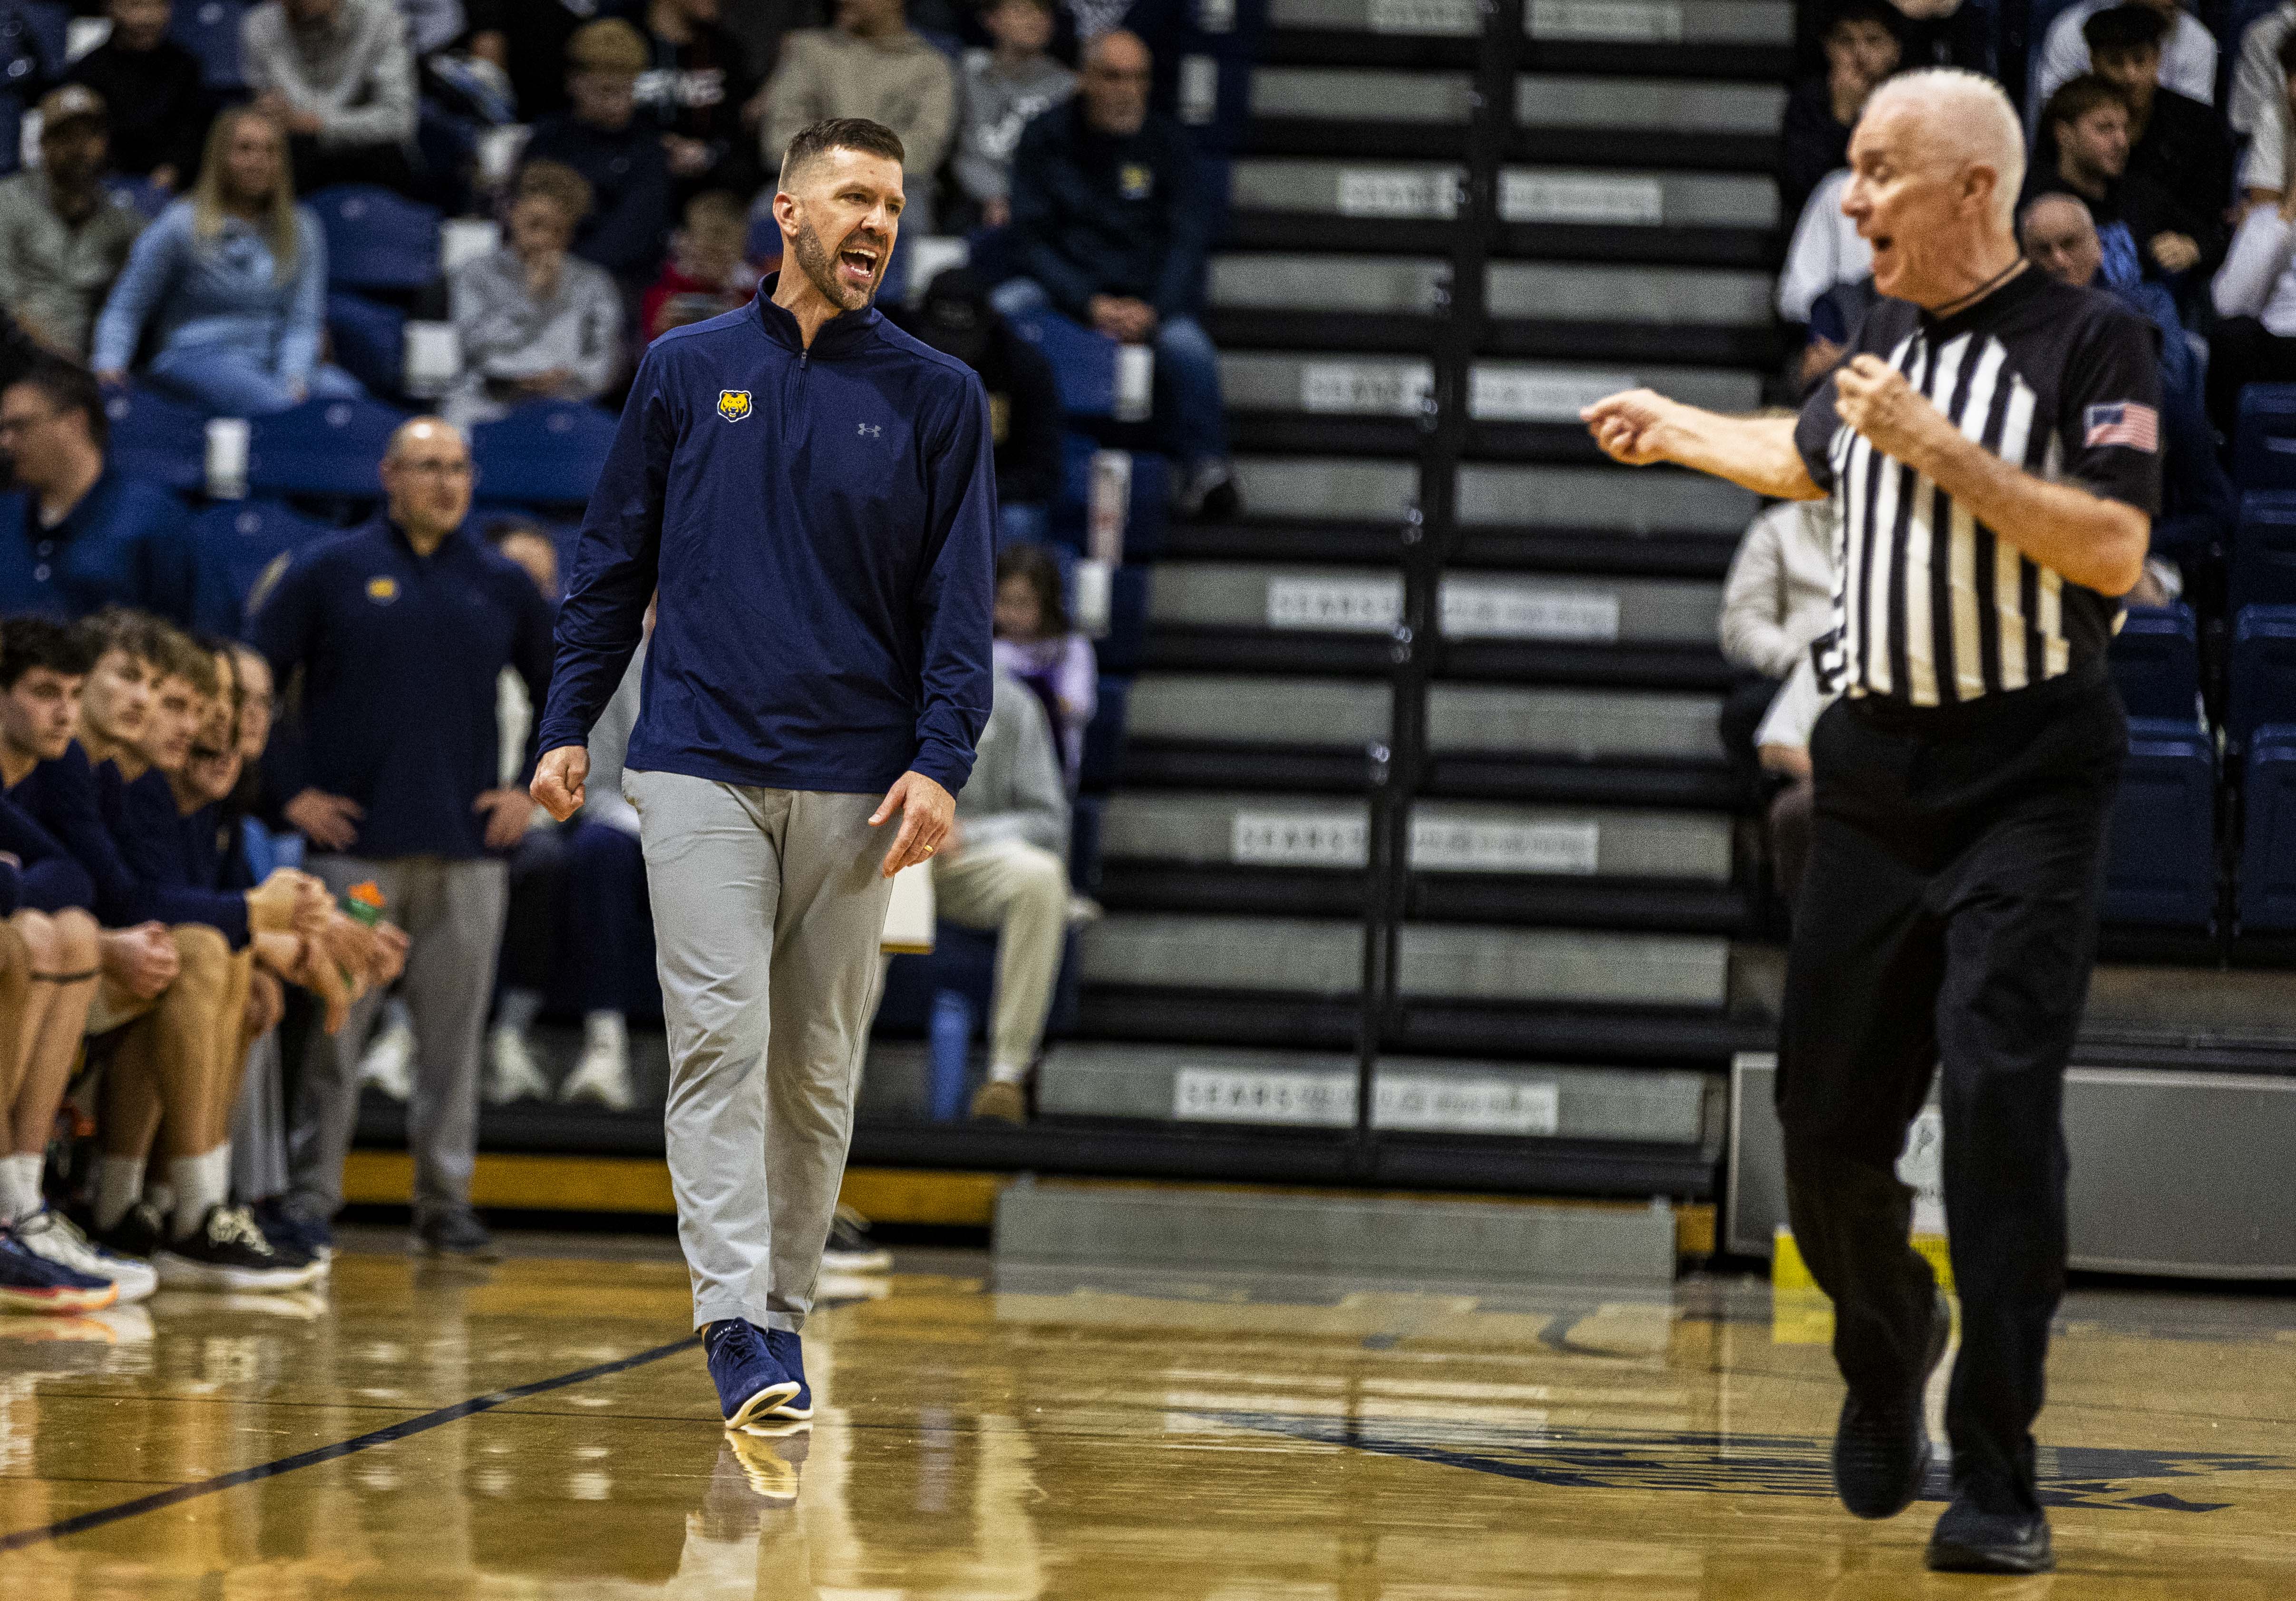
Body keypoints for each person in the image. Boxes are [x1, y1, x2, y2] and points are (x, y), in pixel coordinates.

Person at [1582, 68, 2159, 1575]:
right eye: (1849, 169)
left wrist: (1942, 452)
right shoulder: (1885, 345)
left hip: (2028, 778)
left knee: (1993, 1111)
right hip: (1875, 781)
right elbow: (1809, 457)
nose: (1849, 198)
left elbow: (2107, 549)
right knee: (1820, 1137)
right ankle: (1888, 1334)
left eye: (1877, 171)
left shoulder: (2093, 335)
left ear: (1971, 187)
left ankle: (1998, 1475)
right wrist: (1679, 432)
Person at [529, 116, 992, 1433]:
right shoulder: (683, 369)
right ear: (785, 211)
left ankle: (780, 1310)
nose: (879, 224)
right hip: (695, 766)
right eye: (855, 196)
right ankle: (733, 1319)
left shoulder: (937, 394)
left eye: (895, 206)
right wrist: (569, 722)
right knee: (720, 1040)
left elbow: (958, 606)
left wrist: (941, 760)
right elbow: (611, 562)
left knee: (814, 1068)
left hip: (858, 779)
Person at [253, 417, 554, 1261]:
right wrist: (291, 794)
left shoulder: (501, 582)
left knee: (452, 1047)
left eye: (458, 468)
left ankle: (444, 1202)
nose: (445, 483)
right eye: (427, 467)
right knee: (334, 1040)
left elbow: (562, 689)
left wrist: (528, 787)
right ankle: (312, 1199)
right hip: (356, 856)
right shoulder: (328, 570)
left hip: (466, 854)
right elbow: (249, 687)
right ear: (388, 474)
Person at [999, 29, 1235, 519]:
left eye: (1138, 78)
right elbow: (1032, 237)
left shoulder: (1169, 144)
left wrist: (1153, 308)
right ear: (1083, 79)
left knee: (1189, 348)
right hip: (1062, 290)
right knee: (1003, 310)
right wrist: (1087, 302)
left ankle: (1204, 469)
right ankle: (984, 452)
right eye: (1112, 76)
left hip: (1146, 299)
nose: (1126, 89)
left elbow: (1186, 241)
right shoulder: (1045, 137)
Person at [91, 107, 364, 417]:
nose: (258, 161)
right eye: (244, 149)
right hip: (196, 356)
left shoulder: (303, 227)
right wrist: (109, 366)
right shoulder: (180, 224)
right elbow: (127, 307)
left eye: (270, 150)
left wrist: (296, 378)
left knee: (348, 403)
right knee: (278, 407)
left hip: (272, 359)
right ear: (220, 156)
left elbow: (303, 321)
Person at [2023, 193, 2230, 551]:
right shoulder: (2007, 353)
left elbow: (2216, 513)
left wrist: (2139, 546)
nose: (2058, 261)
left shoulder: (2144, 335)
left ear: (2099, 249)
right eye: (2044, 250)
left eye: (2070, 244)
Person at [946, 669, 1069, 1123]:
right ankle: (838, 1091)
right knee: (862, 896)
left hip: (965, 860)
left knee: (1040, 877)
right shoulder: (878, 680)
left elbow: (1048, 822)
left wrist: (967, 834)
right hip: (884, 848)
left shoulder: (1013, 701)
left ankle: (1006, 1076)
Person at [0, 360, 197, 622]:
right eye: (3, 430)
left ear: (75, 423)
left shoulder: (152, 517)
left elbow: (202, 639)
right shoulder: (6, 519)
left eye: (21, 427)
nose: (6, 442)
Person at [442, 157, 621, 426]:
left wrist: (568, 377)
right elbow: (473, 346)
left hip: (565, 404)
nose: (544, 239)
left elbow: (603, 362)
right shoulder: (475, 273)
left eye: (558, 231)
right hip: (487, 403)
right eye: (535, 224)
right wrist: (530, 300)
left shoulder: (593, 282)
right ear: (513, 214)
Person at [759, 0, 957, 237]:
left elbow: (925, 148)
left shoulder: (930, 66)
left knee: (908, 220)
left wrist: (857, 176)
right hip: (811, 183)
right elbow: (780, 136)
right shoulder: (808, 51)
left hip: (896, 191)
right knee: (767, 213)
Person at [897, 267, 1061, 544]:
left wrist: (972, 491)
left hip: (994, 494)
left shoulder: (1023, 368)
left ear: (989, 326)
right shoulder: (897, 357)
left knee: (1018, 520)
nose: (952, 360)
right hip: (913, 487)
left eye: (962, 347)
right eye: (940, 347)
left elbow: (1042, 472)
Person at [2080, 4, 2231, 284]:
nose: (2130, 75)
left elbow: (2217, 221)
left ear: (2158, 59)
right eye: (2115, 62)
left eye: (2140, 60)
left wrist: (2195, 246)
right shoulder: (2069, 121)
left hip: (2173, 266)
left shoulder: (2201, 125)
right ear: (2094, 63)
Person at [521, 19, 675, 286]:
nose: (618, 103)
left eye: (627, 90)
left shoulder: (647, 147)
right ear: (574, 83)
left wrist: (572, 271)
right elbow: (526, 215)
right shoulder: (548, 141)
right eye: (605, 91)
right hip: (540, 270)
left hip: (618, 281)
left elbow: (636, 230)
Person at [0, 88, 147, 361]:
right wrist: (59, 363)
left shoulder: (120, 220)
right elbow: (7, 301)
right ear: (44, 143)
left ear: (105, 143)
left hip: (89, 366)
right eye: (66, 136)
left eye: (90, 135)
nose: (79, 147)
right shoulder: (8, 201)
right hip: (16, 357)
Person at [240, 0, 420, 196]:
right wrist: (269, 110)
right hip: (297, 151)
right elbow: (266, 105)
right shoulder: (260, 24)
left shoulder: (381, 19)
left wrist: (318, 124)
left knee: (388, 157)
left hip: (369, 155)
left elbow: (399, 120)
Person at [1717, 497, 1838, 777]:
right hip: (1797, 671)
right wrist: (1803, 661)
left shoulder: (1905, 523)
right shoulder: (1777, 526)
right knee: (1746, 715)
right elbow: (1742, 623)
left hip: (1884, 672)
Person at [67, 0, 215, 195]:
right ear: (112, 9)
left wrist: (175, 168)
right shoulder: (87, 72)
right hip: (105, 185)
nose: (147, 18)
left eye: (156, 6)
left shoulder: (187, 67)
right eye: (136, 6)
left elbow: (195, 131)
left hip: (175, 186)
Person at [953, 0, 1073, 231]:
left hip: (1044, 203)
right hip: (974, 201)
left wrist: (1025, 200)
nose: (1035, 20)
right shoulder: (967, 74)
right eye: (1022, 10)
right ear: (991, 19)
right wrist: (994, 196)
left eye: (1042, 11)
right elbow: (964, 153)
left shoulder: (1068, 88)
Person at [1781, 1, 1902, 225]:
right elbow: (1800, 188)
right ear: (1828, 48)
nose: (1860, 54)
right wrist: (1842, 118)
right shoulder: (1810, 101)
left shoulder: (1912, 100)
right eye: (1846, 41)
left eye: (1873, 40)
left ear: (1895, 49)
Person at [633, 0, 763, 200]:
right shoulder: (625, 41)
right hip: (636, 182)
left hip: (712, 190)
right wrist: (655, 148)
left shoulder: (725, 50)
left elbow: (737, 133)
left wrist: (709, 153)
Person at [991, 542, 1093, 790]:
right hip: (993, 771)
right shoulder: (988, 650)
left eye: (1023, 603)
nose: (1013, 613)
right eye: (1004, 601)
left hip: (1050, 770)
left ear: (1047, 603)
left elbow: (1076, 708)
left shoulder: (1072, 648)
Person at [2024, 77, 2144, 287]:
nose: (2122, 142)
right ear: (2064, 134)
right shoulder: (2036, 206)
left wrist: (2192, 247)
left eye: (2125, 129)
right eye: (2105, 129)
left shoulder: (2138, 194)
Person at [2032, 0, 2214, 111]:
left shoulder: (2199, 41)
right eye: (2115, 61)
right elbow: (2054, 109)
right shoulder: (2072, 31)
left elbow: (2194, 119)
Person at [643, 189, 752, 341]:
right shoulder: (662, 294)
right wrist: (661, 330)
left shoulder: (758, 297)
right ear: (685, 241)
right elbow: (651, 354)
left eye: (725, 239)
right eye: (706, 236)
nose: (714, 245)